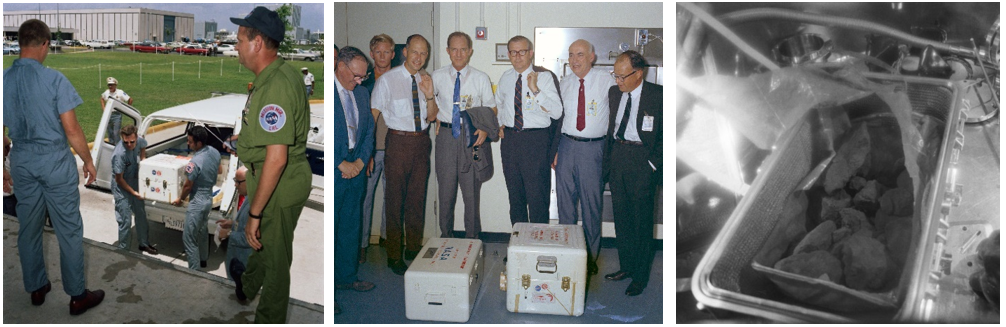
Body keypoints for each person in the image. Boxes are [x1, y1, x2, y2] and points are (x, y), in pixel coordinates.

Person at [3, 18, 105, 316]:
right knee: (69, 231)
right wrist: (87, 160)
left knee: (29, 228)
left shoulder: (3, 81)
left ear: (21, 43)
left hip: (22, 161)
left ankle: (36, 288)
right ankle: (77, 296)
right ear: (45, 44)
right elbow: (72, 130)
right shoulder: (55, 80)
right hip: (54, 162)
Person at [228, 6, 313, 323]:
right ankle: (247, 286)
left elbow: (276, 160)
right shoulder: (276, 75)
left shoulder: (275, 85)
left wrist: (254, 212)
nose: (236, 46)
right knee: (262, 243)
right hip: (270, 178)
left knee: (276, 263)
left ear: (257, 42)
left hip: (279, 184)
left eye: (239, 40)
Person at [370, 34, 438, 275]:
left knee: (417, 199)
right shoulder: (388, 80)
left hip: (421, 143)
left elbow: (431, 116)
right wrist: (367, 151)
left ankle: (412, 249)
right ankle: (394, 255)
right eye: (415, 52)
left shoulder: (426, 79)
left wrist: (429, 94)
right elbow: (374, 117)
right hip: (397, 142)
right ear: (405, 52)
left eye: (424, 53)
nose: (419, 57)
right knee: (395, 200)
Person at [602, 50, 662, 297]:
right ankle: (626, 267)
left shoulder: (659, 96)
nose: (617, 81)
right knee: (622, 219)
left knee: (641, 222)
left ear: (639, 73)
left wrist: (653, 165)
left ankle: (640, 276)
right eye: (615, 75)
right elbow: (611, 129)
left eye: (621, 76)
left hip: (642, 161)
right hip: (619, 157)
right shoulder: (615, 93)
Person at [554, 40, 614, 276]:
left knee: (591, 205)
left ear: (592, 56)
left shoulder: (606, 81)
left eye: (580, 54)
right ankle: (569, 254)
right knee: (565, 205)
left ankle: (590, 257)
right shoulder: (564, 83)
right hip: (566, 146)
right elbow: (557, 120)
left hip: (593, 149)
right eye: (571, 55)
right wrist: (556, 150)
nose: (575, 60)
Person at [431, 31, 497, 239]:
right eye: (454, 49)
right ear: (448, 51)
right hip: (446, 138)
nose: (458, 54)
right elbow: (431, 106)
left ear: (470, 51)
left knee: (471, 194)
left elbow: (492, 109)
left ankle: (472, 240)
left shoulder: (480, 78)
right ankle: (445, 237)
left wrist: (485, 129)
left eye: (463, 49)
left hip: (471, 138)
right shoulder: (437, 76)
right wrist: (436, 119)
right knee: (446, 193)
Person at [494, 35, 562, 226]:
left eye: (522, 51)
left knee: (537, 197)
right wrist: (500, 123)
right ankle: (519, 249)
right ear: (508, 54)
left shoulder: (545, 78)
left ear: (530, 53)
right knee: (515, 197)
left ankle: (538, 249)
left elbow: (557, 112)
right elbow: (498, 103)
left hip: (535, 142)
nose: (517, 56)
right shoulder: (506, 78)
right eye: (513, 52)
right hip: (510, 142)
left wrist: (535, 90)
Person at [334, 46, 377, 295]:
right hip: (337, 170)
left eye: (364, 77)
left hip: (355, 171)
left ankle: (347, 276)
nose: (360, 81)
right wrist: (341, 162)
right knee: (332, 228)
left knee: (351, 226)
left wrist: (360, 162)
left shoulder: (361, 94)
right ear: (341, 66)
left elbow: (369, 132)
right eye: (356, 76)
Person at [359, 33, 395, 264]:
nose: (382, 56)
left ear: (393, 54)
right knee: (365, 198)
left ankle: (386, 239)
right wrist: (367, 151)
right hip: (371, 150)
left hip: (394, 147)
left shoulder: (401, 79)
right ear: (372, 54)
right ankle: (361, 245)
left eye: (387, 52)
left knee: (392, 198)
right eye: (378, 52)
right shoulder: (363, 81)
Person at [171, 126, 221, 270]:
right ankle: (203, 259)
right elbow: (219, 170)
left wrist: (180, 199)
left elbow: (188, 186)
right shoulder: (214, 151)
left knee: (189, 238)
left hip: (197, 201)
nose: (188, 144)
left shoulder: (194, 162)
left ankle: (194, 271)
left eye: (190, 142)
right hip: (208, 199)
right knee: (202, 230)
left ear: (199, 143)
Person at [112, 125, 157, 255]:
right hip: (122, 187)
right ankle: (123, 250)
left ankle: (143, 243)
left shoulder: (140, 141)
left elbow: (143, 146)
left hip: (134, 181)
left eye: (132, 141)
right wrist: (133, 193)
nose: (130, 145)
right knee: (125, 220)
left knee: (141, 215)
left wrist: (142, 161)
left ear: (136, 137)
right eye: (126, 142)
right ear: (122, 139)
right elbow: (119, 179)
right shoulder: (119, 154)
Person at [220, 167, 252, 280]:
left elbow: (251, 239)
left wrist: (228, 234)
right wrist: (232, 223)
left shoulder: (255, 206)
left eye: (238, 182)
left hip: (244, 267)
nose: (235, 185)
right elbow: (246, 224)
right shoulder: (248, 197)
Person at [100, 77, 133, 145]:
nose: (110, 86)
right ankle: (111, 147)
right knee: (110, 133)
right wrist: (104, 108)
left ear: (115, 85)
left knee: (116, 133)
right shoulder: (107, 92)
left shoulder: (120, 92)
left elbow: (130, 99)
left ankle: (118, 147)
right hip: (108, 114)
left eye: (112, 85)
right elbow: (102, 98)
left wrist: (127, 109)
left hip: (117, 115)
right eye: (109, 85)